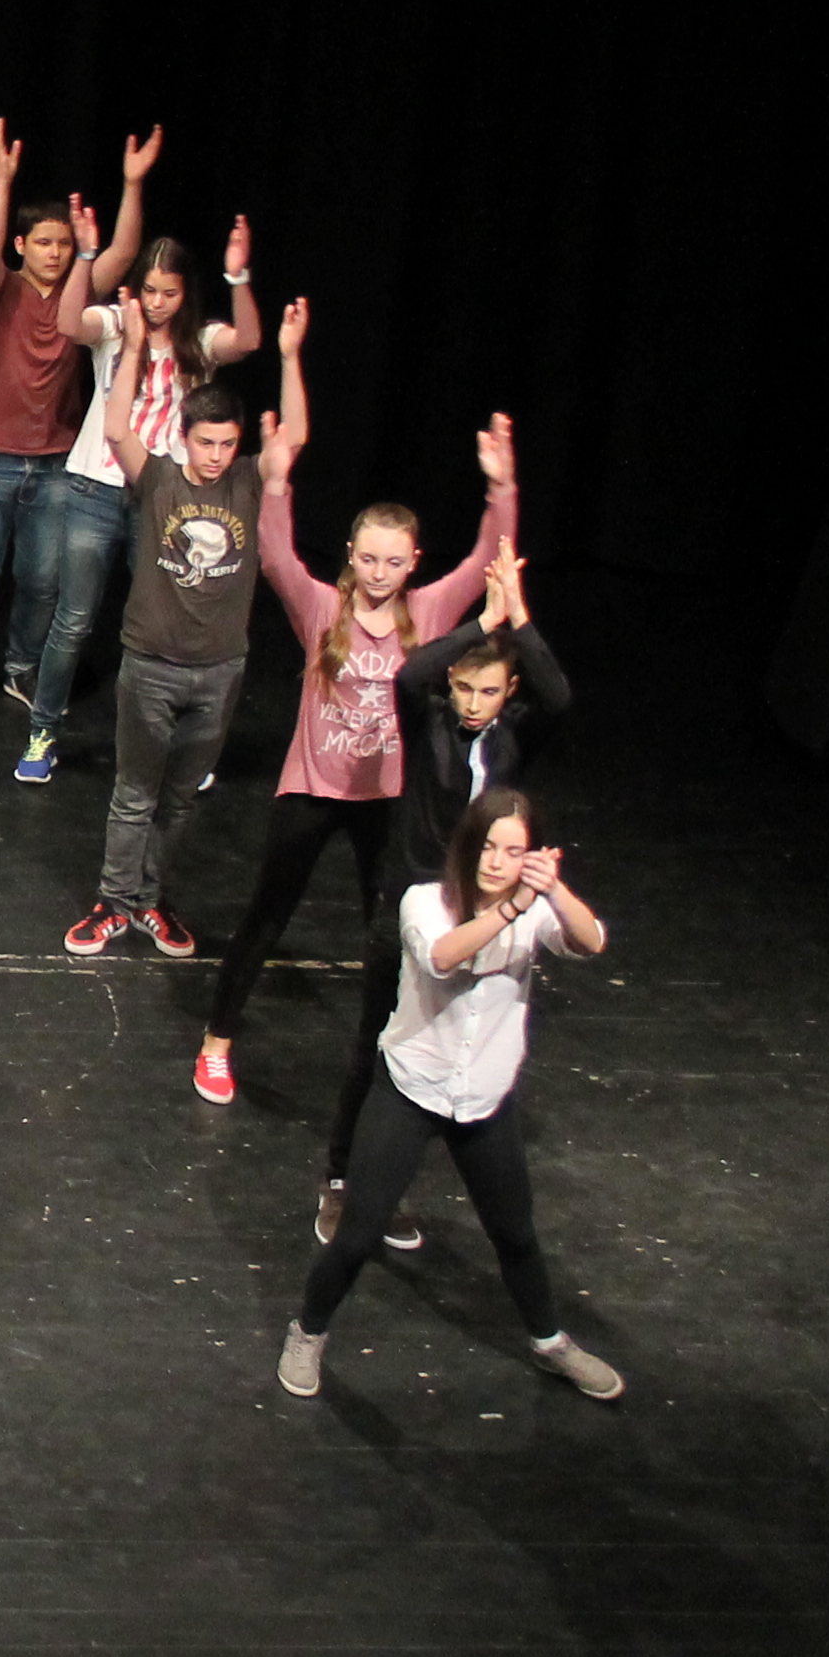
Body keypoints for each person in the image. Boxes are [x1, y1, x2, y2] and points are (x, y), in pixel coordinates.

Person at [188, 308, 520, 1110]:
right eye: (367, 558)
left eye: (393, 561)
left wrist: (501, 488)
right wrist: (275, 480)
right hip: (312, 790)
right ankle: (217, 1040)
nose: (378, 572)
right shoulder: (321, 609)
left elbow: (486, 559)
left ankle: (394, 1050)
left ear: (412, 563)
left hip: (387, 801)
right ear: (351, 556)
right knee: (268, 914)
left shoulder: (430, 612)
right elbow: (275, 555)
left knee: (389, 926)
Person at [277, 792, 624, 1406]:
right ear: (468, 846)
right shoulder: (424, 901)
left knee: (515, 1234)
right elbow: (442, 958)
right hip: (411, 1088)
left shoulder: (535, 909)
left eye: (513, 851)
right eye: (488, 846)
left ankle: (550, 1342)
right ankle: (307, 1332)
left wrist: (553, 890)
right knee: (357, 1236)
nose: (497, 862)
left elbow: (591, 940)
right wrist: (515, 906)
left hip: (484, 1098)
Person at [317, 546, 568, 1243]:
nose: (474, 703)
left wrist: (518, 619)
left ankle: (389, 1180)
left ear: (507, 692)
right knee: (379, 1042)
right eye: (464, 689)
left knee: (451, 1046)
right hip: (413, 905)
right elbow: (410, 673)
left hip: (482, 915)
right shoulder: (426, 719)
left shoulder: (514, 738)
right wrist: (479, 622)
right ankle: (342, 1180)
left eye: (489, 692)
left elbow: (559, 697)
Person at [25, 201, 261, 782]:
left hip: (165, 499)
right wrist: (85, 255)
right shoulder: (116, 325)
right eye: (150, 290)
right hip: (95, 488)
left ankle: (177, 750)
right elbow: (67, 323)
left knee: (168, 623)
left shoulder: (199, 341)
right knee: (73, 620)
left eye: (169, 294)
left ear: (186, 294)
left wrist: (239, 278)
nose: (156, 303)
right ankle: (41, 733)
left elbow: (249, 341)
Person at [62, 338, 265, 967]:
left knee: (178, 800)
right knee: (134, 794)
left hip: (219, 671)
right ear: (185, 438)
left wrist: (287, 356)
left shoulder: (248, 483)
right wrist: (130, 351)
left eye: (227, 444)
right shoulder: (158, 481)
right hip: (151, 666)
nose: (216, 455)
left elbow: (293, 444)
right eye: (206, 443)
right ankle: (113, 901)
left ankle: (150, 899)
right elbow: (116, 428)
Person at [0, 119, 109, 718]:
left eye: (62, 244)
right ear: (22, 245)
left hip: (56, 462)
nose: (54, 253)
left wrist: (133, 187)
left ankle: (22, 667)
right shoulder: (0, 289)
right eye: (43, 242)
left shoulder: (79, 294)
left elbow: (122, 257)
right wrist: (2, 180)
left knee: (41, 578)